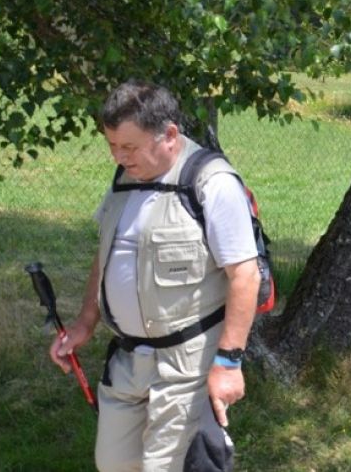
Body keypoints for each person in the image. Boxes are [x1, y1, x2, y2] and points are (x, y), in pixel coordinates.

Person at [48, 81, 260, 471]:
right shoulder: (123, 180)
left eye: (128, 146)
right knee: (113, 464)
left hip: (187, 366)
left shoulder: (211, 182)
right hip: (128, 361)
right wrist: (84, 323)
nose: (118, 156)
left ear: (170, 135)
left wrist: (229, 363)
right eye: (112, 145)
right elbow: (107, 255)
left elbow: (245, 276)